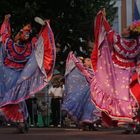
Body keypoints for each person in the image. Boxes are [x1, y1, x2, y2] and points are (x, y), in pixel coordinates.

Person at [0, 15, 56, 133]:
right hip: (7, 76)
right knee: (16, 98)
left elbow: (42, 42)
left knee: (16, 98)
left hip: (20, 76)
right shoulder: (10, 44)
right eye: (25, 31)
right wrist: (6, 21)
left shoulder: (30, 45)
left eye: (29, 32)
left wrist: (45, 28)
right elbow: (4, 34)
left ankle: (21, 121)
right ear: (20, 32)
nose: (27, 33)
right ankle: (23, 121)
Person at [90, 8, 140, 133]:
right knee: (131, 98)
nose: (123, 29)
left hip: (118, 75)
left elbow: (108, 31)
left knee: (120, 96)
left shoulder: (118, 40)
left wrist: (104, 18)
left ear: (129, 33)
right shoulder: (138, 44)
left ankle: (130, 125)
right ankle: (133, 125)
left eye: (126, 28)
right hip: (133, 74)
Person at [62, 52, 100, 131]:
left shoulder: (96, 70)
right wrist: (73, 57)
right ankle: (86, 124)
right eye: (87, 60)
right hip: (86, 93)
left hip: (94, 93)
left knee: (92, 109)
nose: (89, 62)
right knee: (85, 108)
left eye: (89, 60)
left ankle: (91, 125)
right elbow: (77, 64)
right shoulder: (84, 70)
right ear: (85, 63)